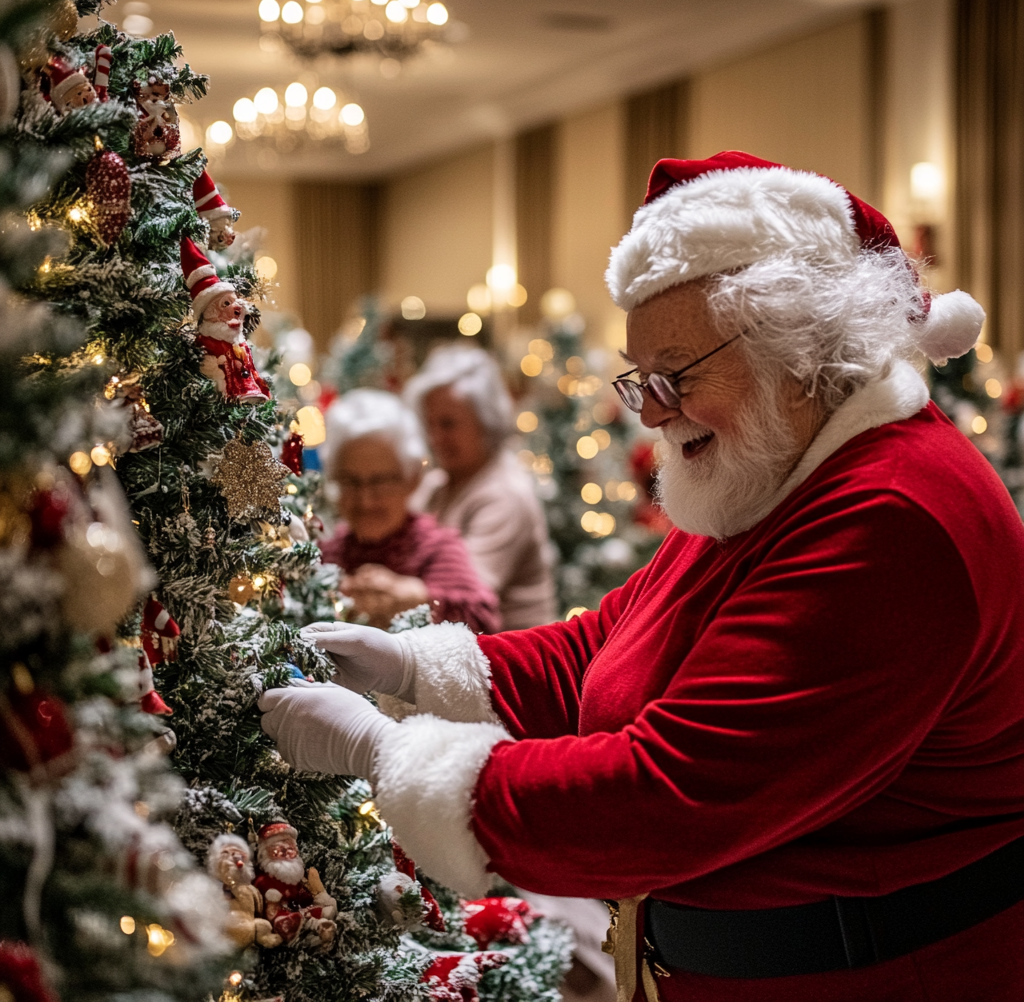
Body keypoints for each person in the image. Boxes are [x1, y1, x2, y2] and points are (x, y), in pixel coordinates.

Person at [261, 152, 1024, 1002]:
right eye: (642, 379)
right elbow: (610, 641)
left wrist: (386, 750)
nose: (652, 410)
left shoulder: (889, 516)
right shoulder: (774, 461)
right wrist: (411, 671)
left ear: (801, 343)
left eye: (677, 373)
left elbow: (673, 794)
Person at [319, 389, 500, 634]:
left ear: (411, 479)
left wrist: (417, 598)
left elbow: (483, 621)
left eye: (380, 482)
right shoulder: (325, 553)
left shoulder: (436, 548)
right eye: (351, 482)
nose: (365, 500)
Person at [404, 345, 557, 629]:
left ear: (487, 421)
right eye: (429, 423)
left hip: (509, 662)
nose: (434, 437)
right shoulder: (436, 484)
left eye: (448, 424)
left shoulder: (504, 495)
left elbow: (461, 598)